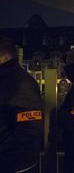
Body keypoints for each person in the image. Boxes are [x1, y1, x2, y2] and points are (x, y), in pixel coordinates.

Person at [0, 36, 44, 173]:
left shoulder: (20, 84)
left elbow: (29, 131)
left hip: (14, 166)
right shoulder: (6, 80)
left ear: (5, 57)